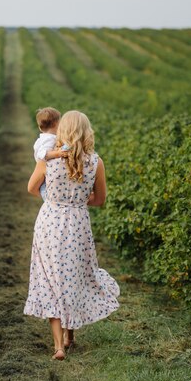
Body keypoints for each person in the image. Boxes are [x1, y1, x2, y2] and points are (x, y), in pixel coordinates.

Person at [23, 110, 120, 361]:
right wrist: (78, 200)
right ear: (87, 131)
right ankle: (70, 334)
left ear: (62, 130)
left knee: (50, 279)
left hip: (50, 223)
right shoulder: (96, 162)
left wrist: (55, 198)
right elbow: (99, 200)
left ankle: (58, 347)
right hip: (77, 222)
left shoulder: (49, 159)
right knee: (73, 276)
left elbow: (32, 188)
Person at [32, 107, 69, 200]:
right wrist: (58, 153)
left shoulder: (42, 138)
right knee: (49, 195)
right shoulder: (49, 139)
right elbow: (42, 154)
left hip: (44, 172)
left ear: (40, 127)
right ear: (56, 124)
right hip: (45, 178)